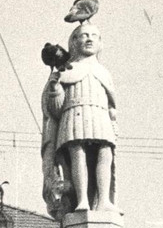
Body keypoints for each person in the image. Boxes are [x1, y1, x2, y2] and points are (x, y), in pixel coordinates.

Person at [41, 22, 117, 216]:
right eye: (84, 35)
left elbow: (111, 102)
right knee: (78, 153)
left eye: (94, 35)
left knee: (105, 152)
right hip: (74, 114)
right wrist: (55, 89)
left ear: (100, 42)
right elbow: (56, 109)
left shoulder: (104, 72)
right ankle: (82, 199)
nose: (89, 39)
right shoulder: (66, 71)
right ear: (73, 42)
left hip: (99, 115)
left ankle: (104, 200)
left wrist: (111, 112)